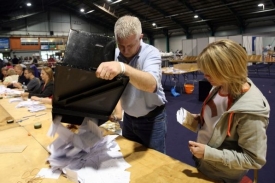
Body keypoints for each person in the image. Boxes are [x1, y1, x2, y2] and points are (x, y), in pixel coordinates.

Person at [185, 40, 269, 183]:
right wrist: (201, 119)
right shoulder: (219, 86)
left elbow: (253, 159)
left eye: (211, 71)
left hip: (223, 174)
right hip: (204, 162)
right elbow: (220, 119)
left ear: (229, 69)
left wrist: (208, 153)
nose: (206, 75)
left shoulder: (251, 110)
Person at [96, 15, 167, 153]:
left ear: (141, 37)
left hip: (152, 120)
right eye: (121, 45)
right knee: (128, 160)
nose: (125, 50)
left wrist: (123, 67)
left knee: (156, 162)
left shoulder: (151, 53)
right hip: (128, 118)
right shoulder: (114, 53)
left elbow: (151, 84)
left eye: (130, 45)